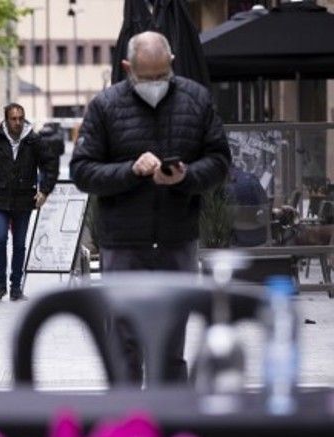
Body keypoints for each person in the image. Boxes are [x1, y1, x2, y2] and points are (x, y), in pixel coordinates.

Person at [71, 30, 231, 383]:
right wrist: (131, 171)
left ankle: (170, 413)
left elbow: (220, 161)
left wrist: (186, 177)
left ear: (172, 63)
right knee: (124, 342)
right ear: (127, 67)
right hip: (123, 244)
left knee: (172, 342)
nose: (156, 84)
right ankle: (126, 413)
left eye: (163, 75)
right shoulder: (105, 106)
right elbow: (81, 171)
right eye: (147, 77)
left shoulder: (196, 99)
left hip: (177, 240)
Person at [0, 103, 58, 302]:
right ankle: (0, 285)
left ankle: (16, 287)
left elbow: (50, 163)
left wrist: (44, 190)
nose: (17, 122)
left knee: (19, 244)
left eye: (20, 118)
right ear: (6, 120)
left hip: (24, 199)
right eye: (13, 119)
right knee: (0, 239)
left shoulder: (33, 140)